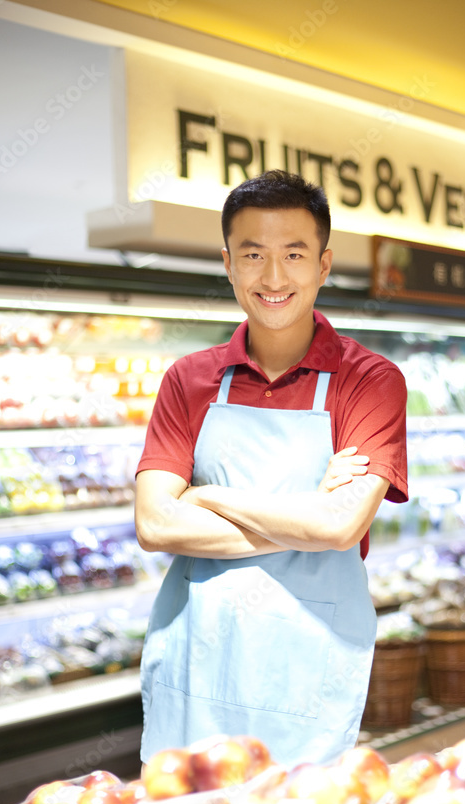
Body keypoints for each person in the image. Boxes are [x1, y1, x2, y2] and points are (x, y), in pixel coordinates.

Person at [135, 169, 408, 768]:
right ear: (229, 263)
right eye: (254, 255)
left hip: (307, 658)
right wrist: (306, 513)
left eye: (294, 254)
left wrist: (207, 498)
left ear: (324, 264)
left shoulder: (371, 381)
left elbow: (339, 530)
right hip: (196, 652)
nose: (274, 277)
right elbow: (156, 526)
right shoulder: (189, 380)